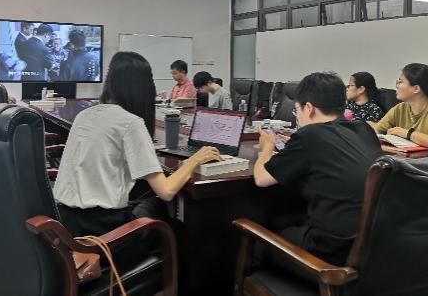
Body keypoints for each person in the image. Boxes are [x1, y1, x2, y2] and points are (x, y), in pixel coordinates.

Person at [53, 51, 221, 243]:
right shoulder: (130, 123)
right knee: (175, 227)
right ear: (144, 87)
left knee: (148, 201)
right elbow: (166, 191)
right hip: (103, 233)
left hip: (66, 225)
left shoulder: (84, 115)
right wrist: (196, 159)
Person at [253, 72, 382, 266]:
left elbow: (261, 178)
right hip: (373, 246)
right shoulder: (364, 129)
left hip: (332, 251)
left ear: (309, 108)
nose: (298, 116)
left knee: (257, 245)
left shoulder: (309, 135)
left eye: (297, 110)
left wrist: (267, 147)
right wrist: (296, 146)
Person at [370, 63, 428, 146]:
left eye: (400, 82)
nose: (397, 86)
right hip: (404, 156)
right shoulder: (400, 108)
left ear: (416, 89)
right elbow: (377, 130)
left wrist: (408, 134)